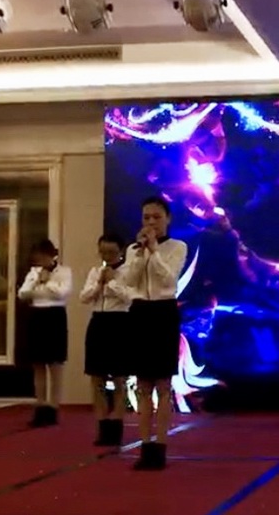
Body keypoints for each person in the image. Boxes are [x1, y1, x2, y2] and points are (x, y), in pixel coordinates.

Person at [123, 196, 187, 470]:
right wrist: (141, 253)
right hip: (140, 313)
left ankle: (160, 446)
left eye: (157, 217)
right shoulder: (133, 249)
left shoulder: (178, 246)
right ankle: (144, 446)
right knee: (143, 385)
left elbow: (168, 278)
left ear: (168, 219)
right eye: (146, 217)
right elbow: (128, 280)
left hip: (163, 312)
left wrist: (154, 251)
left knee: (163, 384)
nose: (151, 222)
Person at [79, 233, 132, 446]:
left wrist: (111, 283)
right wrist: (99, 284)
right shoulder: (95, 271)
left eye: (111, 252)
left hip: (120, 323)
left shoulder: (129, 271)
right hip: (98, 322)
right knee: (96, 377)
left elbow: (130, 297)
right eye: (103, 252)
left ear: (121, 251)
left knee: (119, 377)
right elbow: (84, 297)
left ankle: (117, 426)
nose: (107, 256)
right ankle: (102, 426)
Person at [18, 239, 72, 427]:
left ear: (51, 255)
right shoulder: (33, 272)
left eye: (42, 256)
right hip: (37, 315)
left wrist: (47, 283)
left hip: (55, 316)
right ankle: (40, 406)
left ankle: (53, 407)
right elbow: (23, 293)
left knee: (55, 364)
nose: (39, 260)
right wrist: (36, 282)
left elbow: (62, 293)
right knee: (38, 364)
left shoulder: (64, 272)